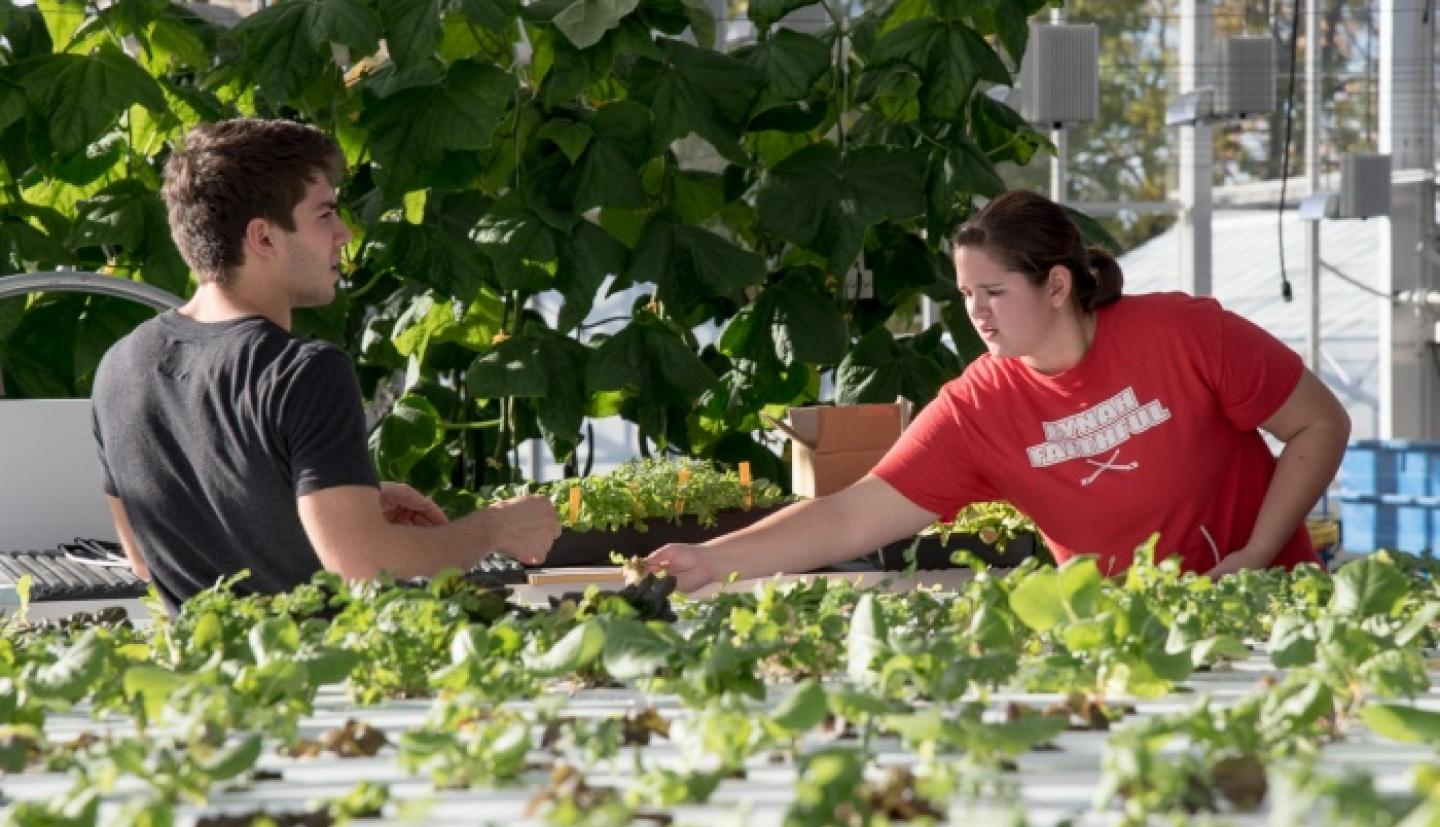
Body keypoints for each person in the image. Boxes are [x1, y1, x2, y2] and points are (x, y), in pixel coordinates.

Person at [643, 189, 1351, 592]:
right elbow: (850, 518)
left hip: (1266, 602)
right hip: (1123, 637)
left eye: (993, 291)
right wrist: (711, 558)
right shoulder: (978, 407)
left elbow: (1320, 424)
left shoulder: (1182, 333)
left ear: (1057, 285)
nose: (975, 311)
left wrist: (1256, 554)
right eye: (963, 293)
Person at [91, 118, 559, 611]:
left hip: (204, 674)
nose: (345, 232)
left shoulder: (121, 365)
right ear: (264, 237)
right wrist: (495, 527)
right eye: (325, 214)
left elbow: (144, 557)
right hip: (326, 677)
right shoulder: (304, 371)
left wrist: (331, 503)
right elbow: (360, 564)